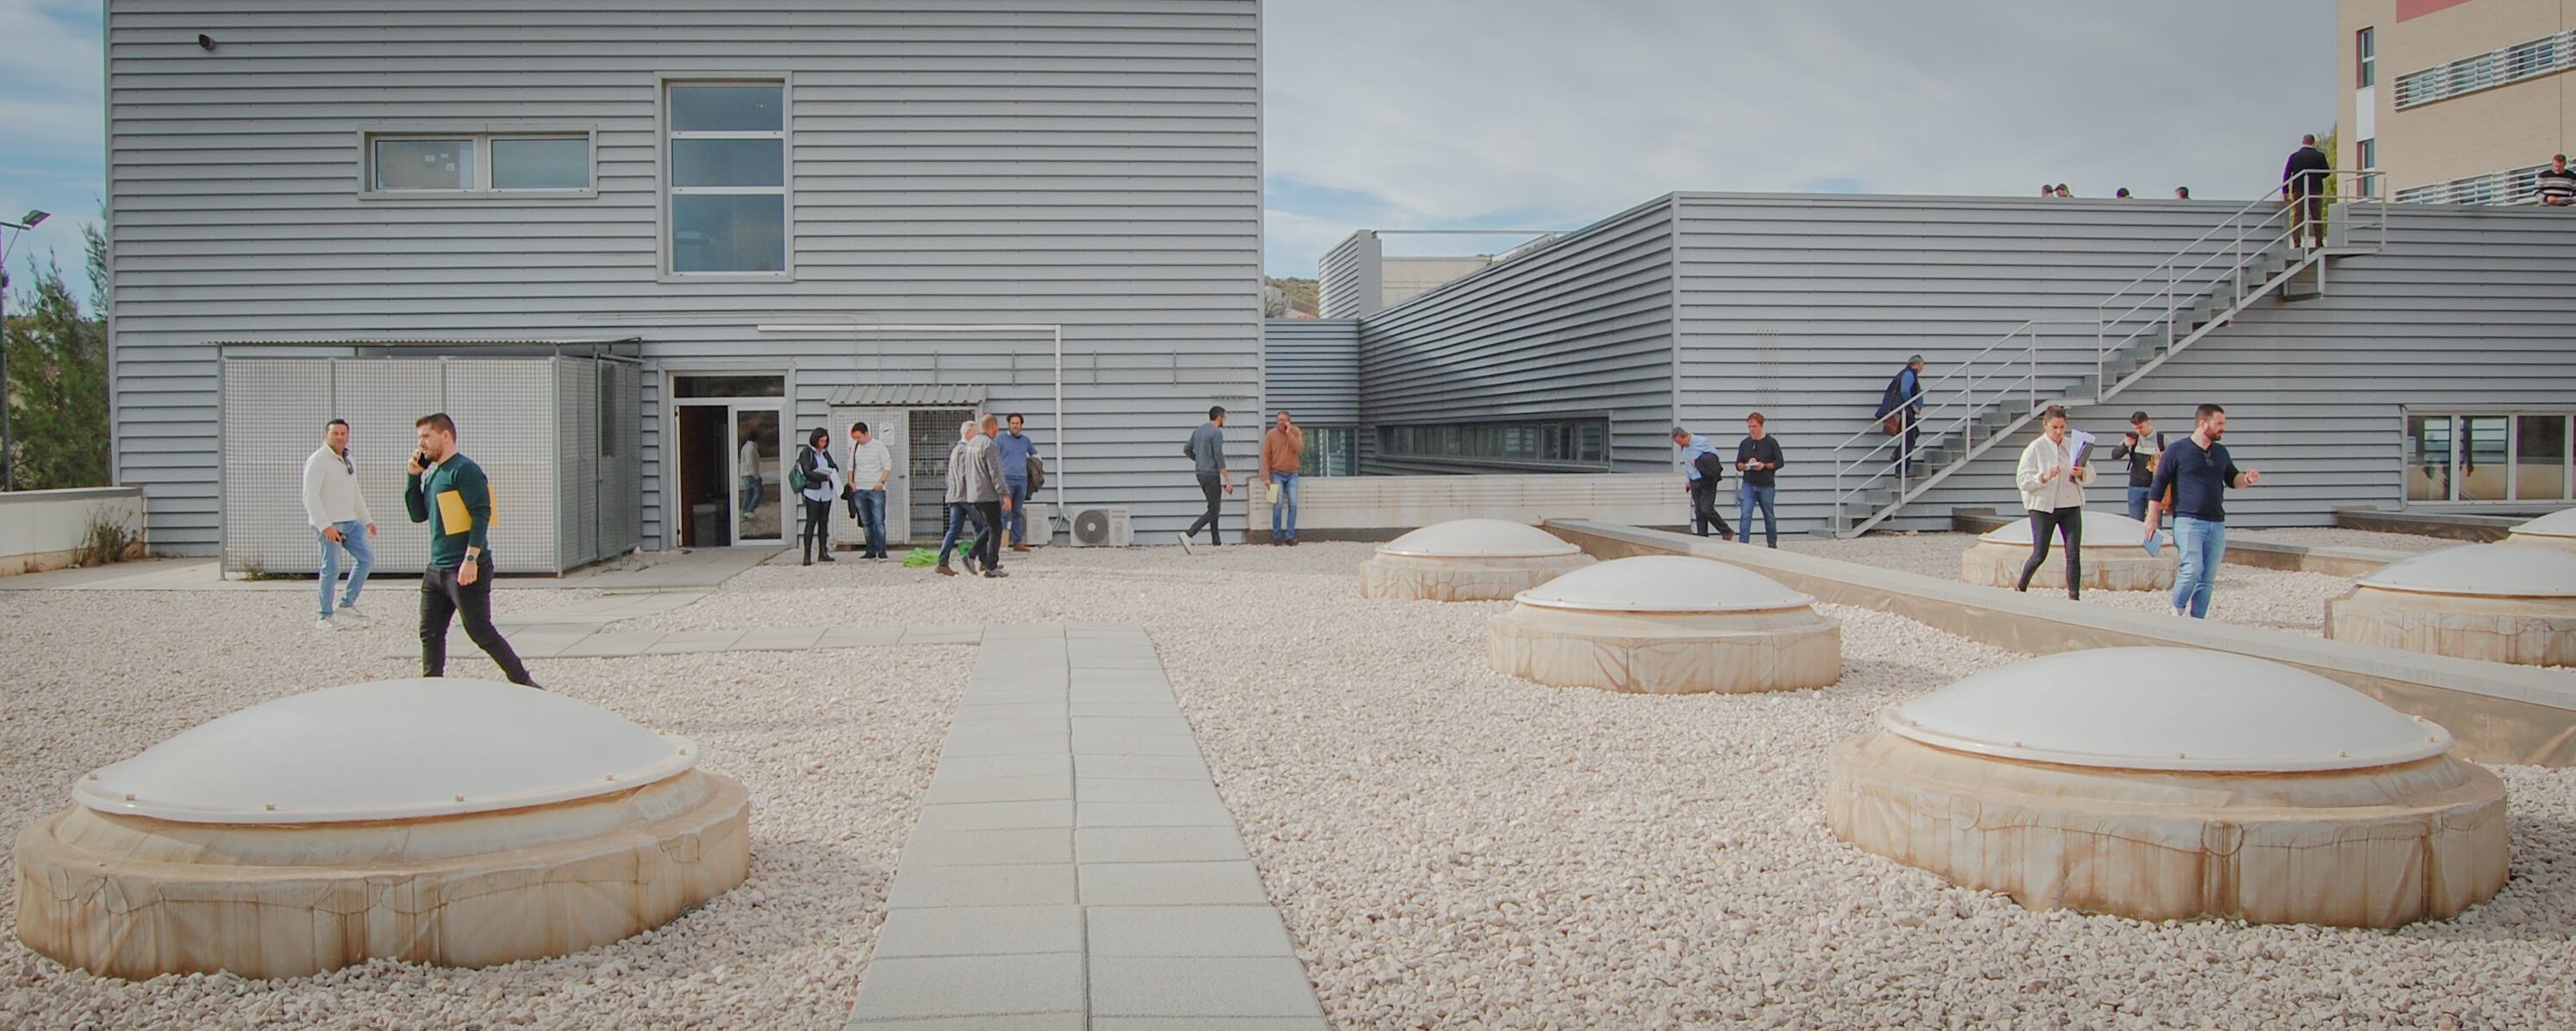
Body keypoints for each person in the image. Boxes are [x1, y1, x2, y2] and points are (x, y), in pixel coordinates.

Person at [405, 412, 538, 689]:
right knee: (429, 633)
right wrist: (413, 478)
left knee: (480, 631)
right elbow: (418, 515)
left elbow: (481, 513)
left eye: (426, 437)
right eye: (419, 439)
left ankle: (524, 682)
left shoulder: (464, 470)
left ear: (445, 436)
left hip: (464, 566)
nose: (421, 444)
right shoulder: (435, 475)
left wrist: (471, 559)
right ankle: (432, 688)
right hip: (437, 569)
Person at [2143, 403, 2264, 619]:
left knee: (2207, 577)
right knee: (2191, 568)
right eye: (2219, 423)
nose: (2222, 428)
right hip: (2188, 520)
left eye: (2223, 424)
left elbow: (2232, 479)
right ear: (2203, 423)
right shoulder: (2178, 450)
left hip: (2216, 522)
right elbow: (2159, 484)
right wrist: (2151, 518)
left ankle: (2198, 619)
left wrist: (2246, 479)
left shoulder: (2220, 452)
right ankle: (2177, 609)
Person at [2012, 405, 2094, 601]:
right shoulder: (2035, 448)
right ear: (2045, 425)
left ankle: (2074, 597)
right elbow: (2022, 480)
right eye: (2054, 427)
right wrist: (2044, 477)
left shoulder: (2072, 445)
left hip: (2070, 505)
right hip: (2043, 508)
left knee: (2073, 553)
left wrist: (2081, 473)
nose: (2058, 432)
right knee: (2040, 553)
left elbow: (2090, 473)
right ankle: (2021, 585)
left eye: (2062, 427)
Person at [302, 417, 377, 629]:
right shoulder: (317, 460)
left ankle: (346, 603)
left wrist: (367, 519)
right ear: (326, 435)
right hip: (329, 524)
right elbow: (310, 496)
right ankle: (324, 616)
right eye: (335, 433)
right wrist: (325, 526)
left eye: (343, 433)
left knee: (366, 559)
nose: (340, 437)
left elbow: (355, 492)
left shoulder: (348, 458)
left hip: (350, 522)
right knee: (331, 568)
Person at [1180, 405, 1232, 553]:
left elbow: (1186, 449)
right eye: (1224, 417)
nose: (1225, 420)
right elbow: (1219, 457)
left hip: (1200, 474)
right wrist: (1227, 480)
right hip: (1211, 474)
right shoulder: (1216, 433)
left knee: (1212, 507)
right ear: (1219, 417)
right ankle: (1189, 534)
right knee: (1215, 510)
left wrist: (1198, 460)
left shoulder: (1198, 431)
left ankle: (1216, 541)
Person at [935, 420, 981, 577]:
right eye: (976, 433)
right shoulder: (964, 450)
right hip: (965, 496)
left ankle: (942, 562)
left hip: (954, 495)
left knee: (954, 530)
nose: (978, 436)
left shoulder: (955, 449)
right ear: (968, 433)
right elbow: (965, 474)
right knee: (982, 527)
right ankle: (979, 560)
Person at [1668, 426, 1731, 540]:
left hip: (1706, 479)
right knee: (1699, 512)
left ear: (1685, 436)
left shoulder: (1702, 442)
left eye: (1680, 441)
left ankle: (1725, 530)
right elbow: (1687, 464)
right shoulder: (1684, 448)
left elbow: (1714, 458)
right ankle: (1702, 537)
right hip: (1694, 480)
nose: (1679, 445)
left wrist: (1699, 462)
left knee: (1706, 508)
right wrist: (1688, 480)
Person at [843, 422, 891, 559]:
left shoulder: (879, 446)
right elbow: (850, 466)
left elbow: (887, 465)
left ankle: (881, 550)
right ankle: (870, 550)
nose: (857, 440)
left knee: (878, 521)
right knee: (866, 522)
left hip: (875, 489)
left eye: (859, 437)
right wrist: (851, 482)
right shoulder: (856, 447)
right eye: (855, 438)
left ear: (866, 434)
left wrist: (881, 482)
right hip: (860, 489)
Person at [1736, 413, 1786, 547]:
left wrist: (1764, 465)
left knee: (1769, 515)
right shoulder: (1745, 443)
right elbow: (1738, 465)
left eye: (1755, 426)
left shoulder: (1771, 442)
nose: (1752, 429)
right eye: (1750, 426)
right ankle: (1743, 544)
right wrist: (1747, 465)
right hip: (1748, 484)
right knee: (1745, 514)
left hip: (1766, 485)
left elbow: (1780, 462)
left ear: (1761, 426)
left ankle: (1772, 544)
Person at [2108, 410, 2167, 523]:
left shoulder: (2161, 440)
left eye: (2141, 427)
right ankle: (2138, 541)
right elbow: (2114, 455)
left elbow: (2175, 458)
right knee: (2135, 523)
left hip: (2155, 487)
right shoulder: (2133, 439)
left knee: (2154, 522)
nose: (2139, 431)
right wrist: (2125, 446)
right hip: (2135, 487)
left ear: (2149, 422)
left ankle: (2153, 541)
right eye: (2136, 428)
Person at [795, 427, 841, 566]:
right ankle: (807, 555)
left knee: (823, 522)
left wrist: (831, 473)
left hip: (826, 492)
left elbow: (834, 467)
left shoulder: (825, 454)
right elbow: (807, 471)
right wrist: (823, 477)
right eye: (821, 441)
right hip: (812, 492)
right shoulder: (807, 452)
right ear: (815, 440)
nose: (823, 444)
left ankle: (823, 552)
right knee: (811, 522)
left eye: (825, 441)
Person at [971, 414, 1010, 577]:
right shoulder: (990, 445)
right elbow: (996, 473)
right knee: (996, 528)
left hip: (974, 494)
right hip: (988, 494)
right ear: (993, 426)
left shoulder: (971, 444)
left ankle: (974, 556)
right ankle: (990, 567)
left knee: (989, 526)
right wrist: (1005, 494)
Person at [1875, 354, 1927, 476]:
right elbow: (1904, 391)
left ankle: (1897, 455)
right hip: (1903, 411)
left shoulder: (1905, 373)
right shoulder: (1909, 374)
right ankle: (1902, 470)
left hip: (1902, 411)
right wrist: (1913, 405)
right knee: (1909, 438)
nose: (1922, 368)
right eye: (1922, 365)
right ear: (1917, 364)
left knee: (1914, 433)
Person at [1260, 409, 1304, 546]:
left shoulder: (1295, 431)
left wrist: (1289, 433)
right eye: (1279, 420)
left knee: (1293, 504)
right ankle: (1277, 536)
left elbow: (1299, 449)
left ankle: (1290, 536)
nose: (1281, 422)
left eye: (1284, 420)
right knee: (1277, 505)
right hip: (1276, 473)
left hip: (1292, 473)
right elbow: (1266, 456)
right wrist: (1266, 477)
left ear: (1289, 421)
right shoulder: (1271, 434)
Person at [995, 413, 1038, 551]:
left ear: (1021, 425)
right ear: (1009, 424)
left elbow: (1035, 456)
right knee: (1005, 512)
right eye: (1013, 423)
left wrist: (1034, 471)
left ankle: (1017, 542)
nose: (1015, 426)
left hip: (1022, 479)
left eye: (1017, 423)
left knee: (1017, 512)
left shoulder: (1025, 441)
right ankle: (1003, 542)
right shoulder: (1000, 440)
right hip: (1006, 479)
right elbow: (994, 459)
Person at [2283, 134, 2332, 250]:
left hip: (2298, 190)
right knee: (2316, 216)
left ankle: (2296, 243)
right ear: (2313, 143)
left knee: (2298, 216)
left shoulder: (2294, 157)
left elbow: (2286, 175)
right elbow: (2326, 172)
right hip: (2315, 190)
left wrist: (2285, 191)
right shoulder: (2319, 156)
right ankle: (2319, 242)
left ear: (2302, 142)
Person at [738, 428, 764, 516]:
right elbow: (750, 464)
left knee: (748, 492)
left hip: (746, 474)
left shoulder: (746, 447)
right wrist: (756, 476)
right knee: (758, 492)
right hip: (750, 474)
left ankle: (745, 510)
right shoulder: (751, 448)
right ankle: (750, 510)